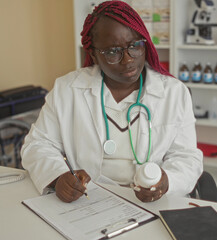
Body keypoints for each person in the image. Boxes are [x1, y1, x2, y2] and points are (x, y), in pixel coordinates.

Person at [21, 1, 203, 203]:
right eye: (113, 52)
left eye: (134, 46)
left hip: (153, 204)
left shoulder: (174, 93)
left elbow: (187, 157)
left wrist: (167, 182)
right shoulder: (67, 90)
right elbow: (38, 144)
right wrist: (57, 177)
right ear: (93, 54)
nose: (127, 60)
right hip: (88, 201)